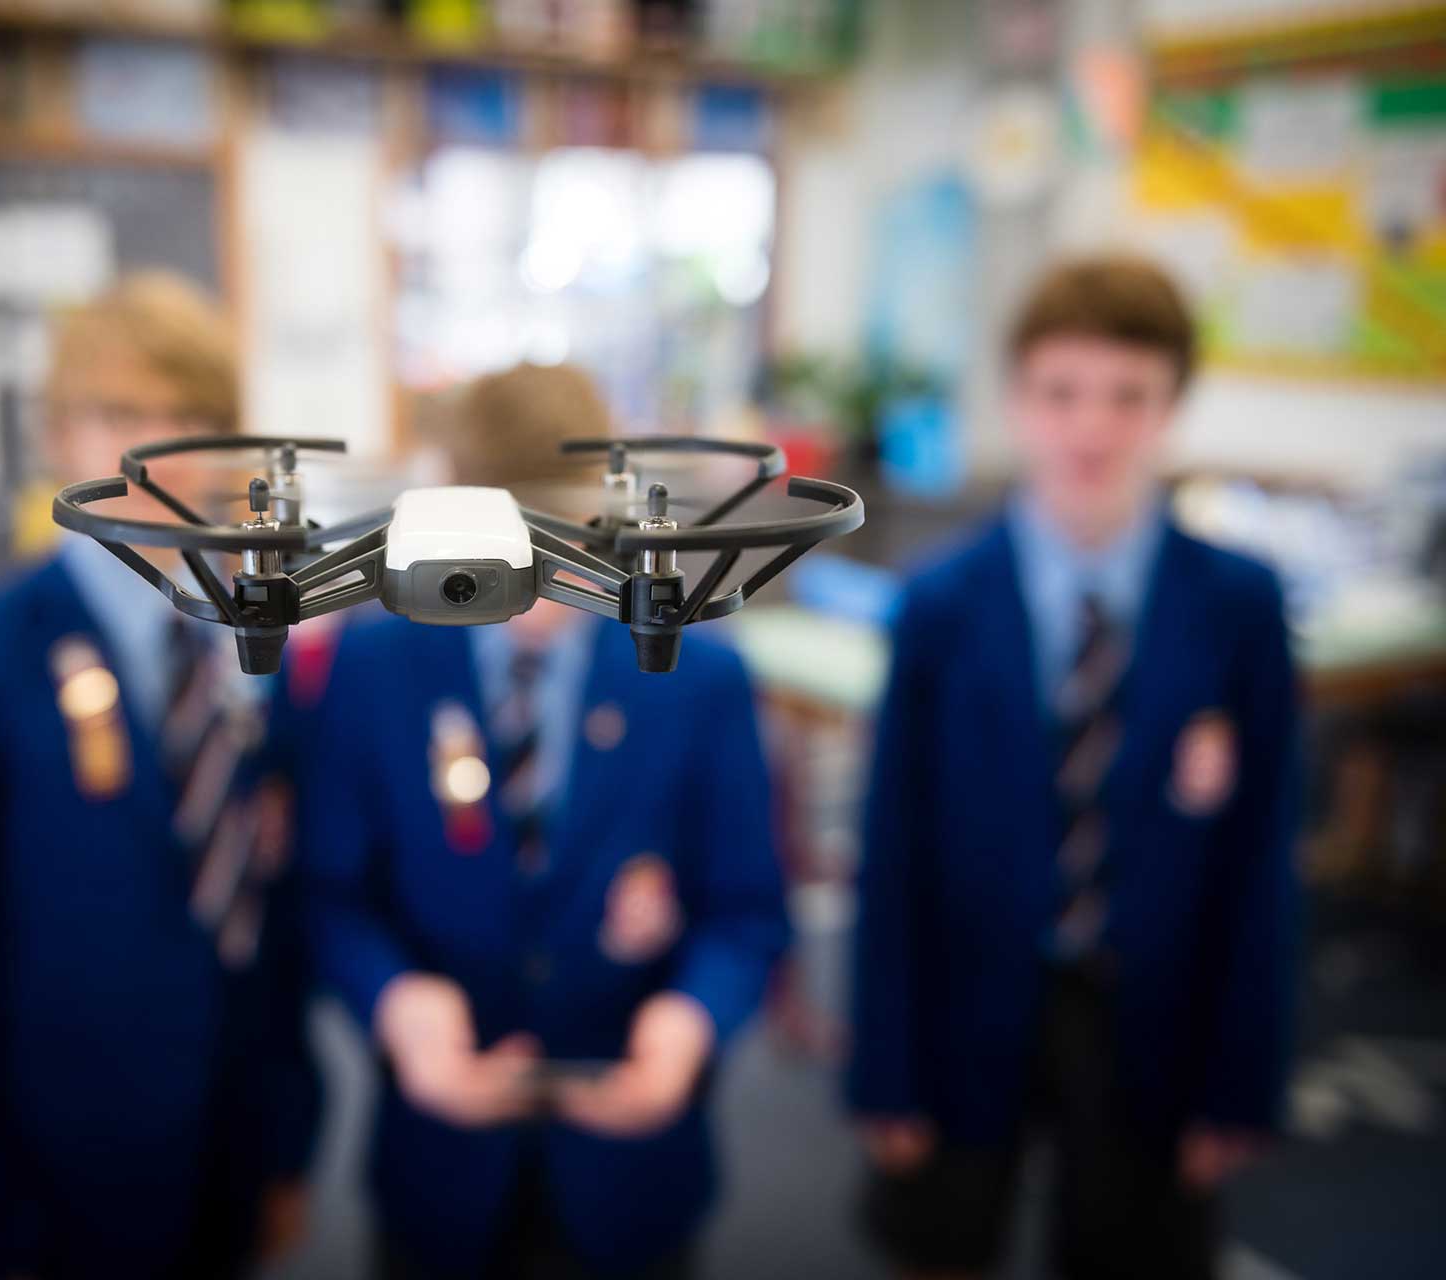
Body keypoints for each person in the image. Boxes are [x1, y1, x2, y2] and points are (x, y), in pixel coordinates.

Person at [846, 255, 1301, 1280]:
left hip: (1157, 1015)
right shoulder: (940, 606)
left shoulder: (1238, 607)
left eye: (1128, 396)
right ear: (1016, 402)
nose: (1091, 430)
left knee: (1134, 1245)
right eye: (1060, 394)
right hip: (965, 1005)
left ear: (1172, 404)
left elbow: (1261, 859)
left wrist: (1241, 1078)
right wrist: (884, 1069)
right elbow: (892, 853)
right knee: (942, 1238)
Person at [0, 273, 319, 1280]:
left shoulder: (251, 652)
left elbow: (269, 924)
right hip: (45, 1192)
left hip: (226, 1161)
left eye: (190, 417)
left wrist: (285, 1143)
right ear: (62, 436)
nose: (159, 451)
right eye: (122, 414)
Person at [301, 363, 790, 1279]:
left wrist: (688, 1023)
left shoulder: (698, 675)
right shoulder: (374, 666)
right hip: (436, 1168)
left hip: (632, 1169)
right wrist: (397, 1004)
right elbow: (331, 895)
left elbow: (748, 910)